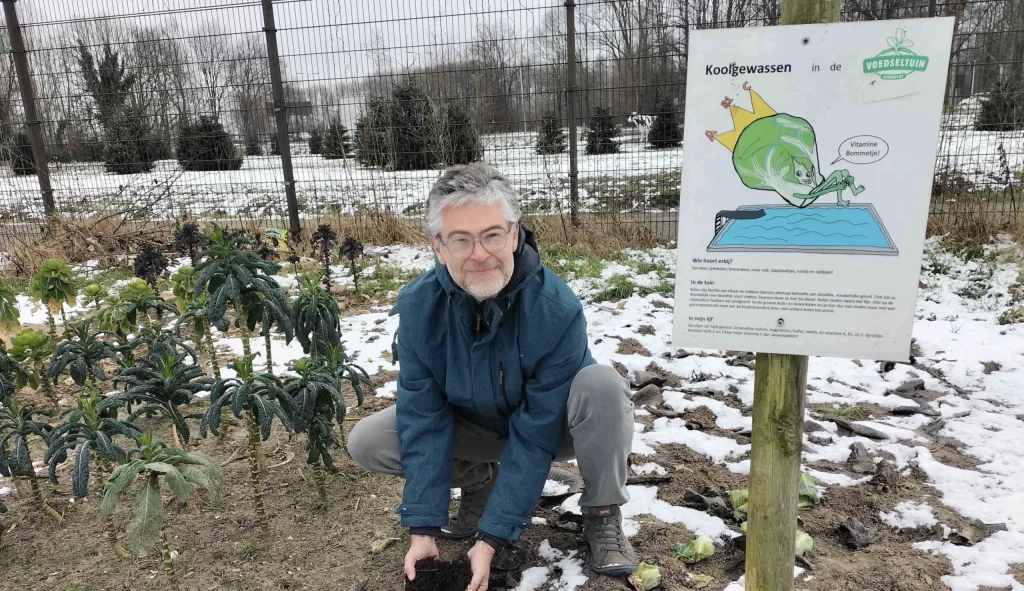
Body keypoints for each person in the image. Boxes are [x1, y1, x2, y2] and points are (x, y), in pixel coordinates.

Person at [348, 162, 639, 590]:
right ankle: (479, 481)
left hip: (555, 427)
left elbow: (538, 431)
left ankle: (602, 512)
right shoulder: (418, 308)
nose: (480, 254)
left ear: (514, 234)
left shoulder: (555, 310)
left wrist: (491, 538)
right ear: (437, 246)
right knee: (369, 440)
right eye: (461, 240)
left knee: (604, 387)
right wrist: (423, 529)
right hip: (476, 427)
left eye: (492, 235)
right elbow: (423, 417)